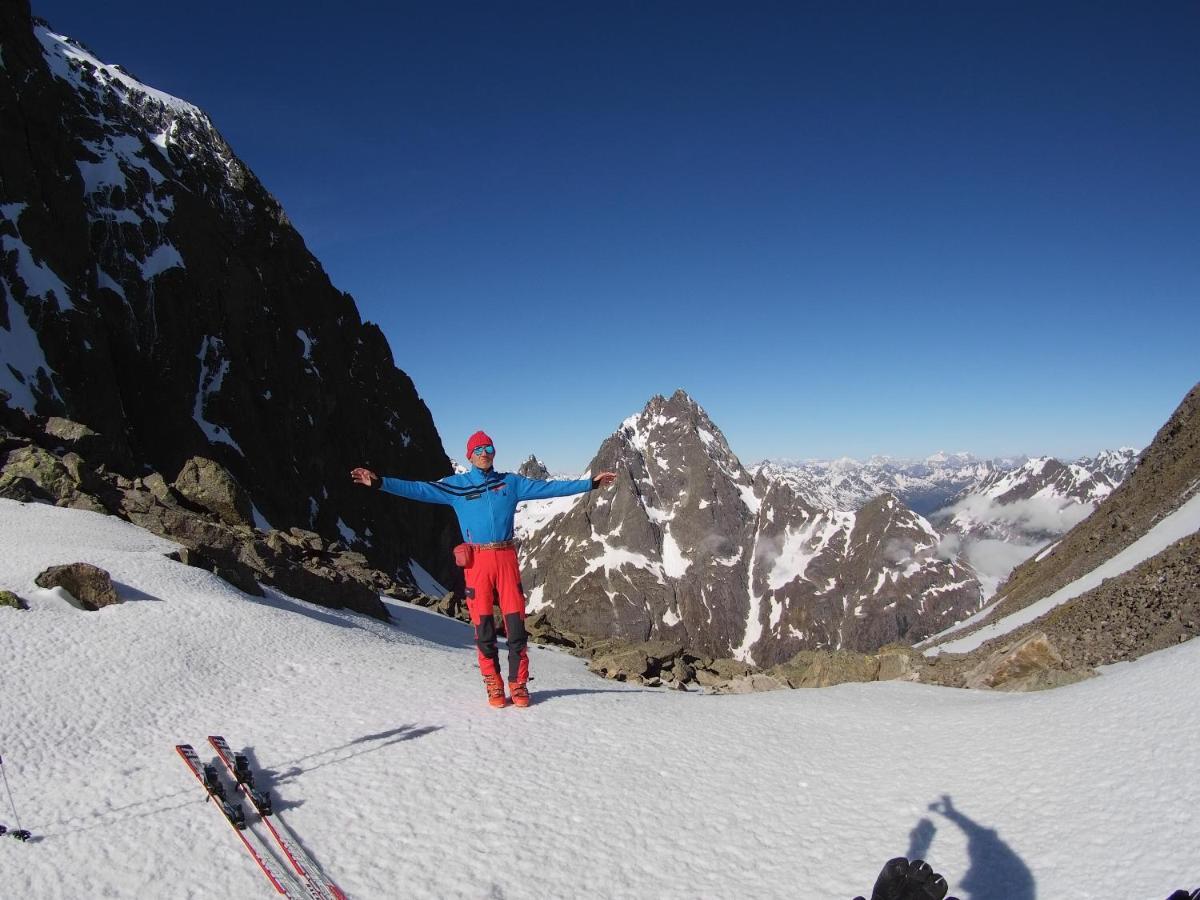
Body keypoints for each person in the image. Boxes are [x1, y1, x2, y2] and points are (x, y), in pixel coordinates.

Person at [352, 430, 616, 709]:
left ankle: (519, 684)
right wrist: (380, 483)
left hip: (506, 560)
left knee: (516, 627)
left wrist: (591, 484)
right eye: (477, 450)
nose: (483, 453)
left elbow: (548, 488)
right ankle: (493, 683)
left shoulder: (510, 483)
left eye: (488, 448)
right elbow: (418, 489)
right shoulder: (457, 486)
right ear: (469, 455)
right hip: (476, 563)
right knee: (484, 628)